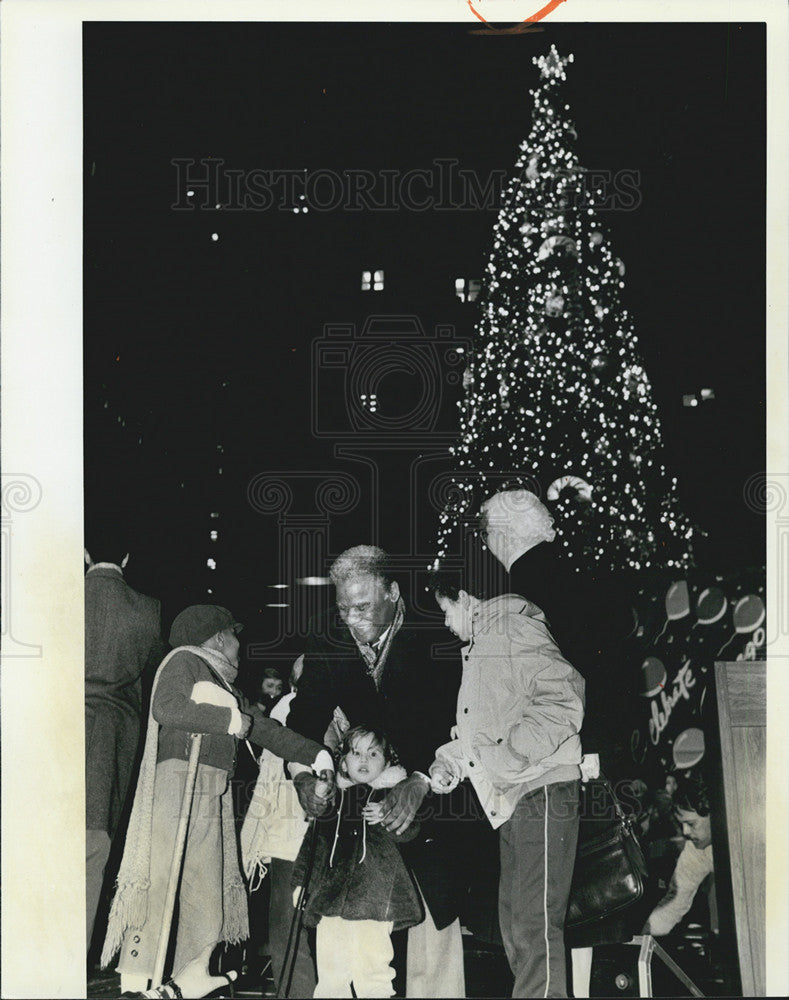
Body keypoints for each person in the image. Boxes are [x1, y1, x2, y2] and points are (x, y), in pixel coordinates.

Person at [101, 604, 334, 996]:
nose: (240, 645)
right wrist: (228, 722)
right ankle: (136, 976)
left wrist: (316, 754)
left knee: (205, 887)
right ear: (220, 637)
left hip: (211, 790)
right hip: (178, 781)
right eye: (235, 635)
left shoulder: (224, 683)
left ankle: (190, 973)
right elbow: (166, 707)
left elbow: (265, 730)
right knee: (160, 877)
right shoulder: (184, 661)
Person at [286, 545, 466, 998]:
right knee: (350, 939)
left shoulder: (436, 632)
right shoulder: (327, 636)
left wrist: (421, 780)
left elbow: (459, 718)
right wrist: (305, 774)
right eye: (343, 607)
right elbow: (305, 717)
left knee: (433, 918)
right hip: (359, 815)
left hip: (432, 793)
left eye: (363, 606)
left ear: (393, 592)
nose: (351, 619)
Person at [428, 568, 585, 999]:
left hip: (543, 789)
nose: (445, 622)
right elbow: (483, 737)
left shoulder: (510, 627)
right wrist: (448, 763)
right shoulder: (484, 645)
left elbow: (565, 694)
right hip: (517, 797)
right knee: (517, 923)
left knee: (533, 924)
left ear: (463, 597)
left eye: (445, 610)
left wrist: (514, 754)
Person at [292, 725, 424, 998]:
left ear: (388, 762)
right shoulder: (332, 800)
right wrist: (299, 883)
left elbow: (411, 833)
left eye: (373, 753)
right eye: (356, 752)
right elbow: (312, 845)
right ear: (343, 761)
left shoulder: (392, 797)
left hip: (375, 903)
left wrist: (389, 813)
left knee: (373, 972)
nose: (363, 760)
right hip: (331, 900)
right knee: (330, 973)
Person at [84, 536, 166, 951]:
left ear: (84, 554)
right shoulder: (148, 610)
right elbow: (152, 677)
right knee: (93, 844)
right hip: (112, 737)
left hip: (58, 728)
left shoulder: (58, 598)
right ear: (127, 557)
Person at [241, 654, 320, 999]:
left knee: (292, 925)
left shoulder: (333, 710)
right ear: (294, 683)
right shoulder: (288, 708)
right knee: (288, 924)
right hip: (290, 828)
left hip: (311, 830)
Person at [644, 773, 715, 937]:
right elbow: (675, 902)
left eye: (691, 824)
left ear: (715, 814)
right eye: (681, 824)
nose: (685, 832)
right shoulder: (695, 850)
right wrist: (643, 936)